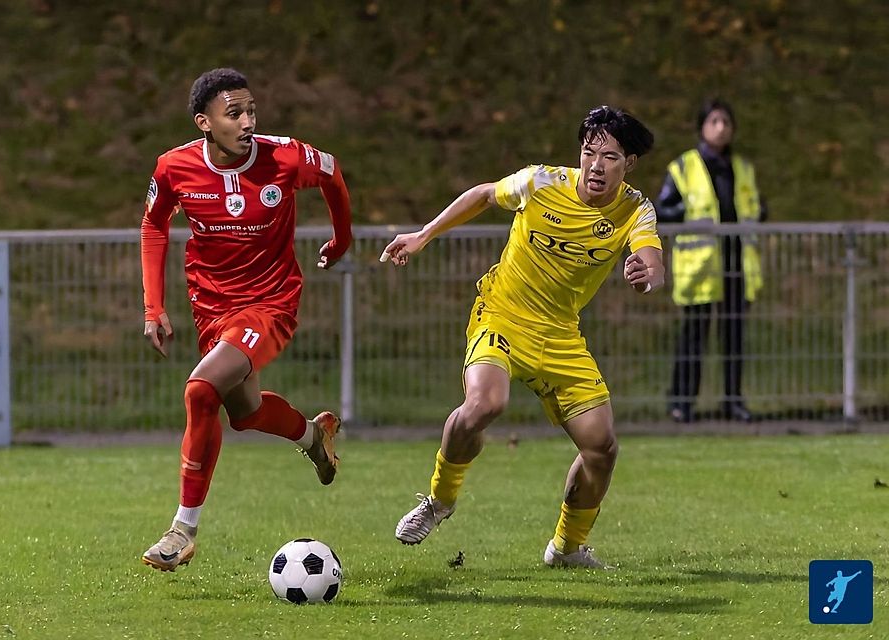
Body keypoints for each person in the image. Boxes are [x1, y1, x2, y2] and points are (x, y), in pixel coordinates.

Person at [380, 106, 664, 568]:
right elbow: (484, 195)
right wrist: (424, 235)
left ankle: (566, 549)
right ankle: (438, 500)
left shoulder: (635, 209)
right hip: (503, 315)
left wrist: (646, 275)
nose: (596, 165)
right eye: (589, 152)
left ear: (628, 163)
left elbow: (652, 260)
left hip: (560, 336)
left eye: (610, 156)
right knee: (484, 405)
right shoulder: (542, 181)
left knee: (602, 446)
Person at [139, 68, 352, 571]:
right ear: (204, 123)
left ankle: (182, 529)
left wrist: (342, 238)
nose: (248, 120)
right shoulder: (174, 168)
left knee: (199, 390)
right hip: (212, 309)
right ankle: (311, 436)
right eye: (234, 113)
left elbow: (333, 174)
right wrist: (154, 305)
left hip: (270, 304)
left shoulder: (285, 157)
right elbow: (153, 223)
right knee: (246, 412)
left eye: (251, 109)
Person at [656, 98, 766, 424]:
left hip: (737, 264)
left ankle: (733, 402)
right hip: (701, 267)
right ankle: (682, 403)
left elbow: (758, 207)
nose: (721, 128)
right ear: (702, 127)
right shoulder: (684, 167)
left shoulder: (742, 168)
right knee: (693, 337)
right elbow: (663, 210)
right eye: (715, 121)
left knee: (733, 337)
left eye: (726, 122)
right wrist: (692, 218)